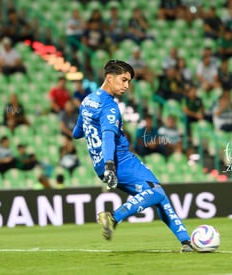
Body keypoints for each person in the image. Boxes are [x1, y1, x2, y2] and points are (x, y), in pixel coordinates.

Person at [72, 60, 193, 252]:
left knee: (160, 196)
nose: (126, 86)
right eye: (123, 80)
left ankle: (186, 241)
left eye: (128, 82)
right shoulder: (109, 107)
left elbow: (76, 133)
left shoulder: (87, 101)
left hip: (102, 164)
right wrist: (111, 165)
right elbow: (108, 136)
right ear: (109, 78)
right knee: (157, 192)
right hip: (119, 161)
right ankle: (113, 217)